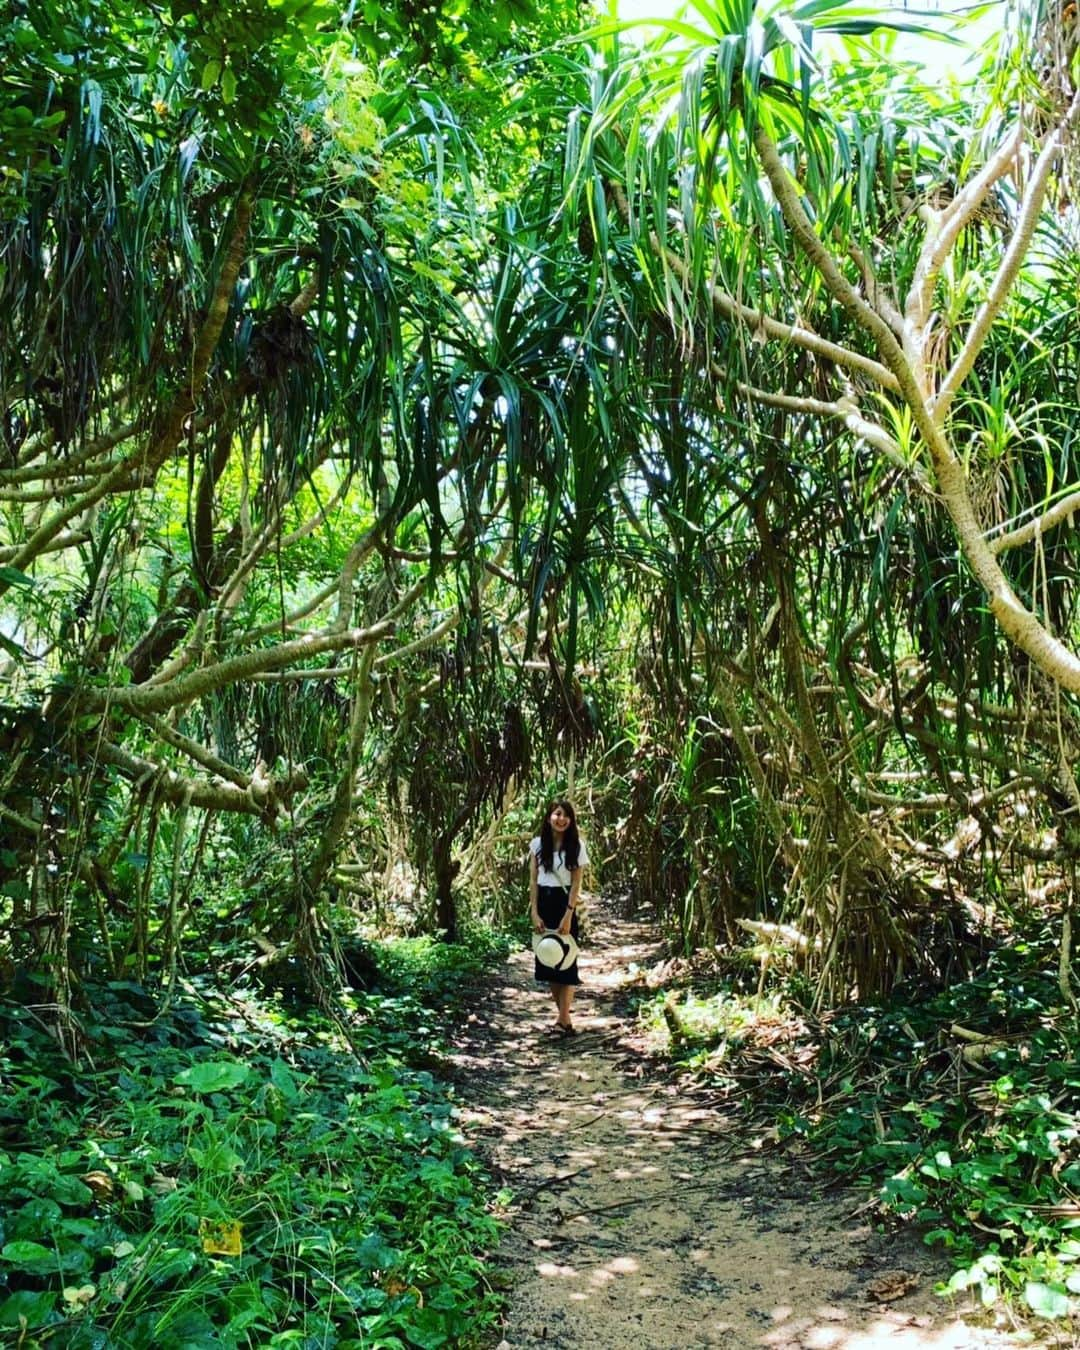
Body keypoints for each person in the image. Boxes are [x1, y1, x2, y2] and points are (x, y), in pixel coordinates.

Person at [529, 799, 588, 1035]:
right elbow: (533, 882)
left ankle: (563, 1019)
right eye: (557, 814)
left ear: (571, 820)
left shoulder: (576, 846)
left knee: (567, 961)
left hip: (565, 905)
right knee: (548, 959)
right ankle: (564, 1020)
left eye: (566, 815)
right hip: (543, 902)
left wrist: (568, 915)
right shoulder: (537, 845)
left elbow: (576, 884)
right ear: (548, 817)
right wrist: (534, 912)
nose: (561, 819)